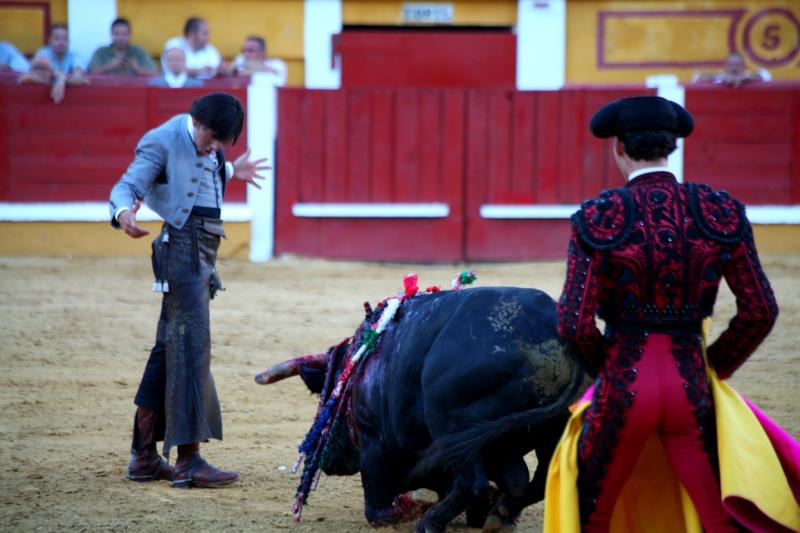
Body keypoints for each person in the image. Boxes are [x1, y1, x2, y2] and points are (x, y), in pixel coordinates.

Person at [544, 96, 799, 531]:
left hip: (623, 386)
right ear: (673, 147)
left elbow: (573, 322)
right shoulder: (719, 211)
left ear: (617, 149)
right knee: (717, 516)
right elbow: (760, 310)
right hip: (690, 383)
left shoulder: (598, 216)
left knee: (592, 514)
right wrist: (713, 366)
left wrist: (608, 369)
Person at [109, 93, 269, 488]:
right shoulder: (160, 140)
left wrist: (230, 170)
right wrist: (123, 212)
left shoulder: (210, 146)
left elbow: (196, 176)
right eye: (212, 138)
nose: (214, 147)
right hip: (182, 250)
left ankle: (144, 457)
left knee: (168, 350)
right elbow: (127, 185)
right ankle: (188, 459)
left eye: (221, 143)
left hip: (202, 249)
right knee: (192, 347)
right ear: (196, 121)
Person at [18, 25, 87, 104]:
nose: (61, 42)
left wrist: (61, 80)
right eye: (57, 39)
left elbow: (78, 77)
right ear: (50, 41)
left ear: (69, 42)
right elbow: (27, 78)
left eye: (65, 39)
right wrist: (60, 80)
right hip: (39, 102)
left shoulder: (75, 56)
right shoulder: (42, 54)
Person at [88, 18, 156, 76]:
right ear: (111, 35)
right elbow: (89, 74)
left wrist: (138, 69)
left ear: (130, 35)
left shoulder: (139, 52)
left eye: (124, 34)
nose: (121, 38)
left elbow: (156, 73)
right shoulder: (101, 52)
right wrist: (109, 66)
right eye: (116, 34)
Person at [692, 51, 770, 88]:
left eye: (738, 65)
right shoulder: (720, 76)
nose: (734, 68)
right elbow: (697, 78)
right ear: (725, 67)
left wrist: (746, 78)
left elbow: (765, 76)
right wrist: (721, 77)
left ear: (743, 67)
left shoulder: (748, 75)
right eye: (730, 65)